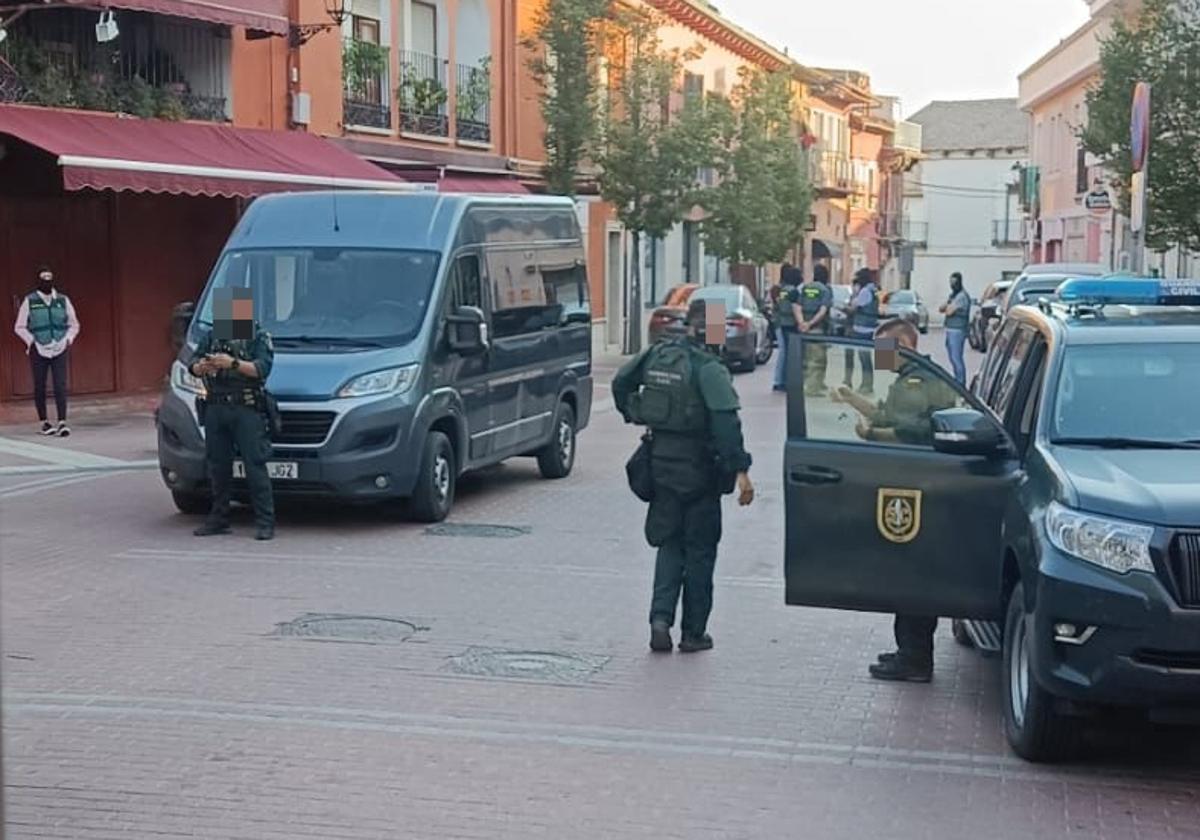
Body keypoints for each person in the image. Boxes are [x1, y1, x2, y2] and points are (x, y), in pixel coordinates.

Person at [612, 299, 755, 654]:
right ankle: (694, 633)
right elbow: (726, 424)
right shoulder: (709, 369)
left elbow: (620, 382)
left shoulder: (660, 355)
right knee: (700, 552)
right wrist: (741, 469)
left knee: (668, 543)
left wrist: (634, 412)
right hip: (701, 471)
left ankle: (659, 620)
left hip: (660, 463)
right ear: (712, 331)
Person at [832, 318, 960, 681]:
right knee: (906, 573)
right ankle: (908, 649)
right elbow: (889, 417)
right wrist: (853, 399)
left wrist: (872, 434)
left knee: (914, 573)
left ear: (903, 344)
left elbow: (909, 433)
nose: (878, 356)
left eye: (883, 348)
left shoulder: (916, 384)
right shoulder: (913, 379)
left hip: (916, 486)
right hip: (913, 483)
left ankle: (916, 657)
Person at [188, 288, 277, 541]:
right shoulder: (213, 335)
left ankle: (265, 521)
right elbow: (192, 364)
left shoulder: (258, 336)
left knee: (255, 464)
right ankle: (219, 518)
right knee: (217, 465)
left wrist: (233, 364)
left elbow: (262, 369)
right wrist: (201, 366)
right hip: (216, 406)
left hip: (245, 407)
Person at [13, 266, 81, 437]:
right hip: (39, 348)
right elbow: (19, 326)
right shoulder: (30, 301)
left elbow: (74, 324)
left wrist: (67, 339)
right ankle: (44, 422)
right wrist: (32, 342)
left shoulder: (63, 300)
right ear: (38, 281)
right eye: (43, 278)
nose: (47, 282)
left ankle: (62, 422)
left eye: (49, 278)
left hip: (59, 346)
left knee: (60, 385)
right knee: (40, 385)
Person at [796, 264, 833, 396]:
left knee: (806, 359)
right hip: (817, 329)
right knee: (818, 360)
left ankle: (807, 384)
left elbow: (798, 306)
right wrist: (811, 324)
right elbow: (823, 311)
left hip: (804, 330)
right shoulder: (825, 290)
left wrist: (802, 323)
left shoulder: (806, 288)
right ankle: (813, 388)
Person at [843, 268, 880, 395]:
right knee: (865, 357)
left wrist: (846, 304)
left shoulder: (865, 291)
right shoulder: (873, 290)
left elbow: (853, 308)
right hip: (869, 327)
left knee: (864, 357)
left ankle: (867, 385)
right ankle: (867, 384)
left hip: (861, 327)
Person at [771, 264, 804, 392]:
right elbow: (795, 308)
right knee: (786, 353)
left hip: (780, 323)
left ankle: (779, 380)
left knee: (782, 353)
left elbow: (779, 305)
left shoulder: (783, 290)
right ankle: (782, 381)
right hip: (788, 323)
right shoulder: (793, 291)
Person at [940, 272, 972, 385]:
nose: (952, 284)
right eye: (950, 282)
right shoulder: (953, 295)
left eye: (954, 282)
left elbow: (948, 312)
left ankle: (960, 383)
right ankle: (958, 380)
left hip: (957, 331)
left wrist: (949, 306)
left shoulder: (962, 296)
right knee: (952, 358)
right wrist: (949, 304)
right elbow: (941, 308)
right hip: (950, 330)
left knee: (956, 358)